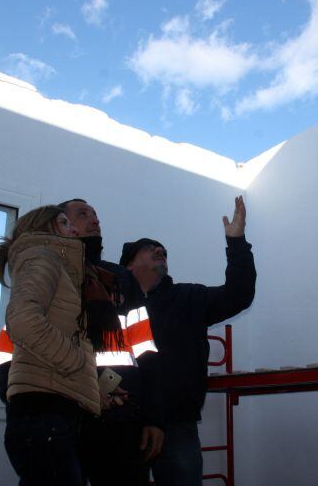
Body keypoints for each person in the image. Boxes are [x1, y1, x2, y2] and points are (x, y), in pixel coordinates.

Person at [119, 196, 256, 486]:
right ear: (129, 265)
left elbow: (239, 294)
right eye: (149, 248)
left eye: (163, 251)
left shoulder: (188, 297)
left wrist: (237, 243)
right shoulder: (112, 305)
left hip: (177, 425)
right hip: (121, 425)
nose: (160, 251)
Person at [0, 205, 113, 486]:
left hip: (53, 413)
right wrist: (75, 362)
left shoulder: (62, 271)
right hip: (44, 414)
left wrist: (92, 391)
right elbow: (22, 318)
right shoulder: (43, 257)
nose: (73, 229)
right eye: (64, 222)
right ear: (45, 228)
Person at [59, 198, 165, 486]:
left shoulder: (121, 279)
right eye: (83, 214)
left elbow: (145, 351)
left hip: (121, 418)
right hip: (62, 420)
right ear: (62, 225)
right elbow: (17, 353)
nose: (95, 220)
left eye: (95, 215)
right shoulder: (46, 274)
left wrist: (153, 418)